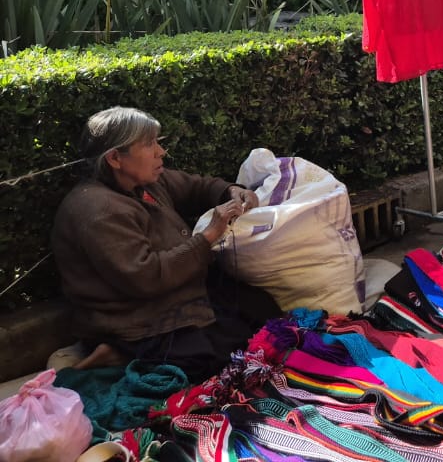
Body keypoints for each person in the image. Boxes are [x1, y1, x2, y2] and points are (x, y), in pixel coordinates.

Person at [51, 107, 279, 379]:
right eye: (149, 145)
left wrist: (230, 191)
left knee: (265, 311)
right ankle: (119, 354)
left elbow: (195, 186)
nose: (161, 152)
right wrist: (208, 236)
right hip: (134, 319)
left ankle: (127, 355)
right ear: (114, 158)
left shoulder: (143, 182)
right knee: (216, 360)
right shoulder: (98, 210)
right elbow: (146, 277)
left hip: (178, 293)